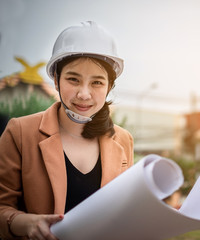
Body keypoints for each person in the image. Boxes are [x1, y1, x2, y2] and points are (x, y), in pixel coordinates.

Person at [0, 21, 134, 240]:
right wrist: (26, 223)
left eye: (97, 83)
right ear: (56, 80)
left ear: (109, 86)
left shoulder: (123, 139)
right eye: (73, 79)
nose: (84, 94)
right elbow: (2, 207)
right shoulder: (20, 132)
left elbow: (125, 209)